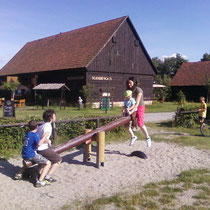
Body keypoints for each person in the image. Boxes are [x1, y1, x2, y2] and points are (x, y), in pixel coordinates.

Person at [14, 120, 51, 187]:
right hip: (31, 154)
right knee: (47, 163)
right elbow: (39, 143)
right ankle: (40, 181)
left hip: (24, 154)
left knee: (32, 162)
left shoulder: (27, 133)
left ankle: (19, 174)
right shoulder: (34, 135)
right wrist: (45, 136)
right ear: (37, 126)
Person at [37, 109, 62, 183]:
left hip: (38, 148)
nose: (55, 117)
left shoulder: (42, 125)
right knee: (58, 159)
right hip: (42, 148)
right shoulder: (48, 126)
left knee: (48, 159)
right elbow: (43, 138)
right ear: (50, 118)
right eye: (54, 116)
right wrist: (48, 141)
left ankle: (37, 173)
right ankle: (47, 176)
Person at [126, 77, 152, 147]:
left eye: (130, 83)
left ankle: (148, 138)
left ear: (134, 83)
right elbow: (127, 101)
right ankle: (133, 137)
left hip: (140, 107)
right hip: (132, 107)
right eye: (128, 83)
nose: (129, 84)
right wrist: (125, 108)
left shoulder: (138, 90)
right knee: (126, 123)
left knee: (140, 124)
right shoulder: (129, 90)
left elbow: (137, 103)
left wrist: (131, 111)